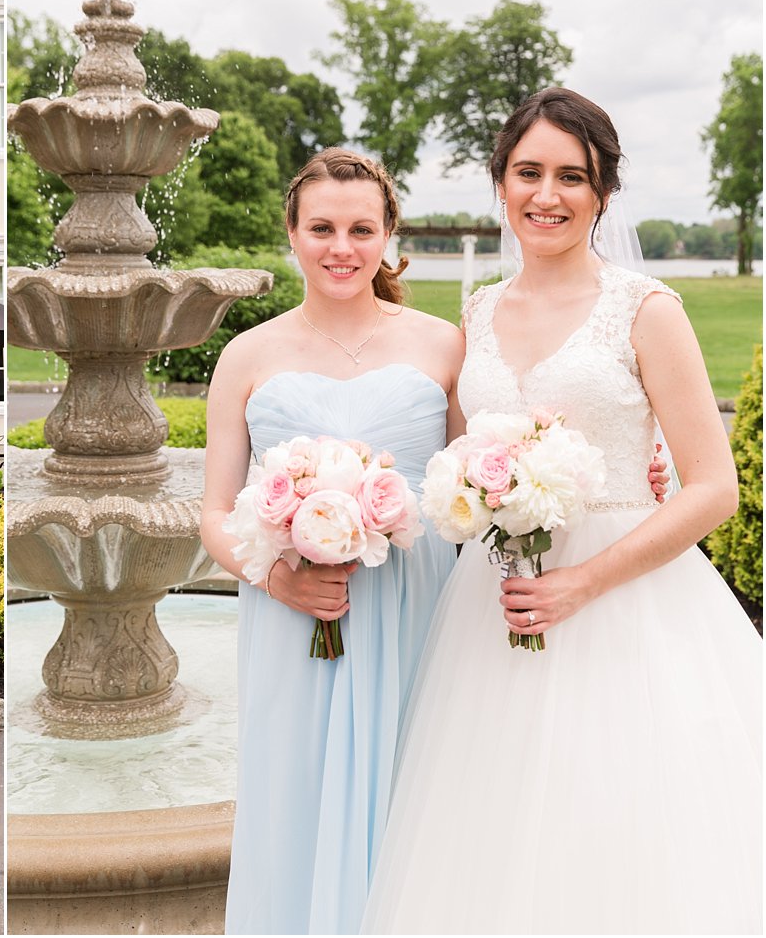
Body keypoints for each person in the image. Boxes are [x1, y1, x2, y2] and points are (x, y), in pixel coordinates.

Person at [362, 89, 762, 933]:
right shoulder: (476, 311)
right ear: (500, 185)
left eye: (572, 176)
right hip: (497, 602)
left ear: (603, 194)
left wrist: (582, 580)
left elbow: (711, 486)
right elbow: (463, 462)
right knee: (493, 827)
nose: (548, 194)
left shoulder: (646, 309)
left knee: (618, 816)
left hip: (627, 598)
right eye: (528, 172)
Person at [200, 148, 466, 934]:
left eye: (360, 228)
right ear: (291, 233)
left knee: (412, 786)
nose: (340, 247)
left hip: (417, 605)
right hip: (292, 610)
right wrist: (278, 578)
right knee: (294, 788)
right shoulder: (246, 356)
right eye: (321, 227)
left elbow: (479, 489)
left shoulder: (444, 345)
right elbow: (215, 512)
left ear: (388, 235)